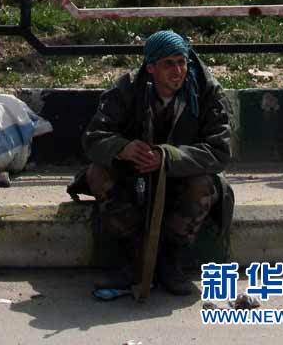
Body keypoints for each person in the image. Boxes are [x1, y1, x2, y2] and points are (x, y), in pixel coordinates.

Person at [79, 29, 233, 296]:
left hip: (182, 177)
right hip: (134, 176)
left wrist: (167, 157)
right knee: (97, 173)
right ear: (150, 67)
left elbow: (219, 151)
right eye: (168, 64)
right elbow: (93, 137)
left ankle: (170, 262)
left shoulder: (206, 93)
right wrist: (123, 148)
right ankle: (134, 259)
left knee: (203, 185)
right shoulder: (127, 89)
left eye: (182, 62)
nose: (178, 71)